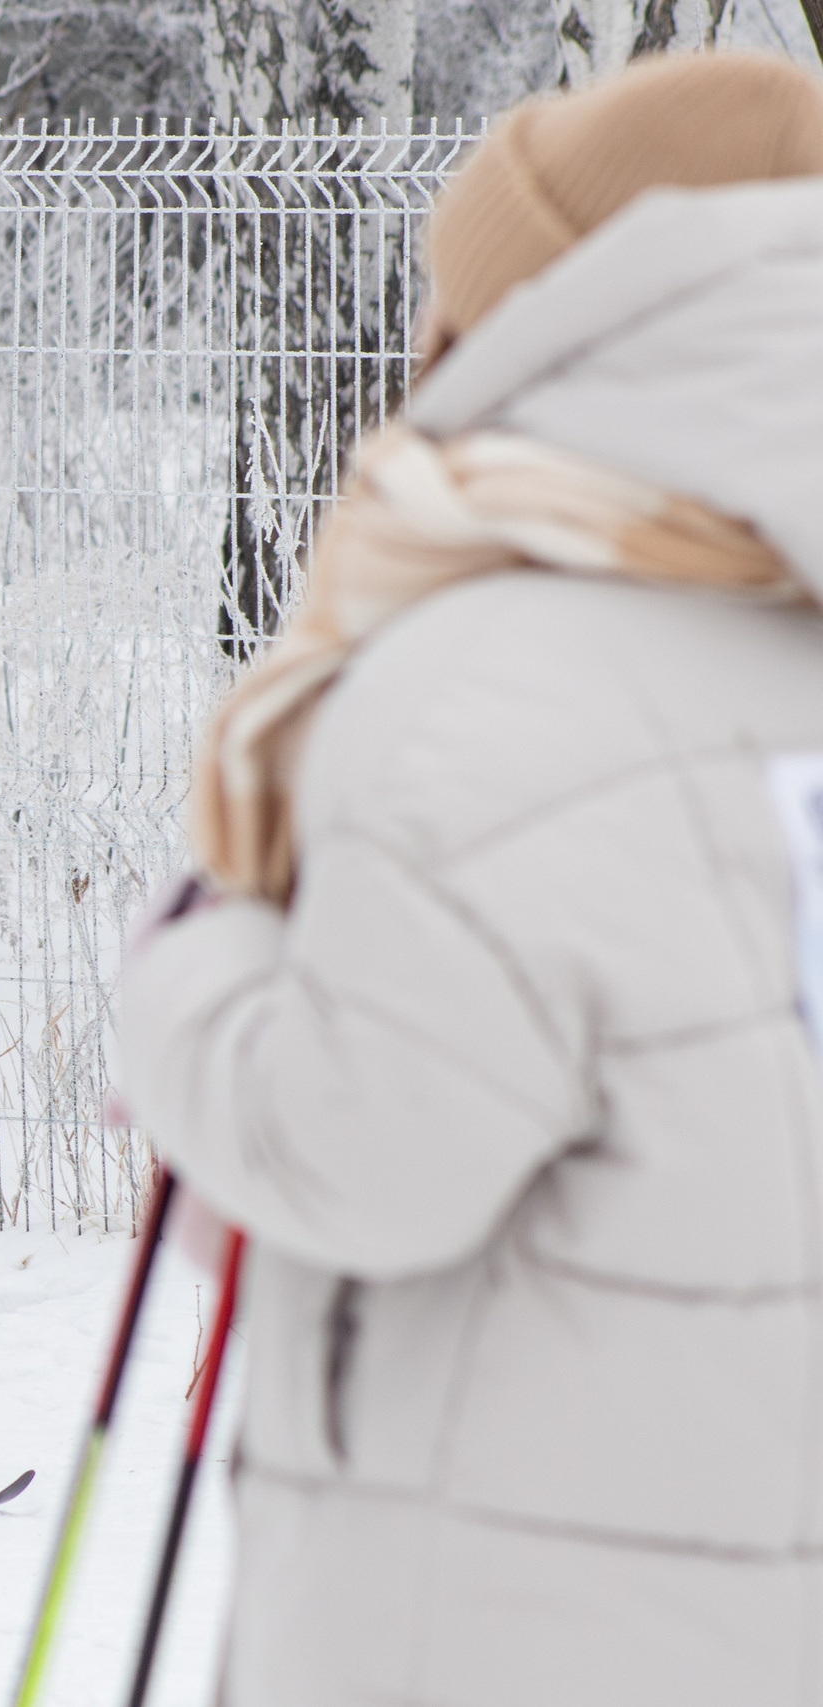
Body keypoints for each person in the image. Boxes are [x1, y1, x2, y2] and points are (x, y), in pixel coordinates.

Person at [114, 54, 823, 1706]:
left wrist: (188, 971)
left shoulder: (486, 684)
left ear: (542, 329)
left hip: (506, 1613)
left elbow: (364, 1155)